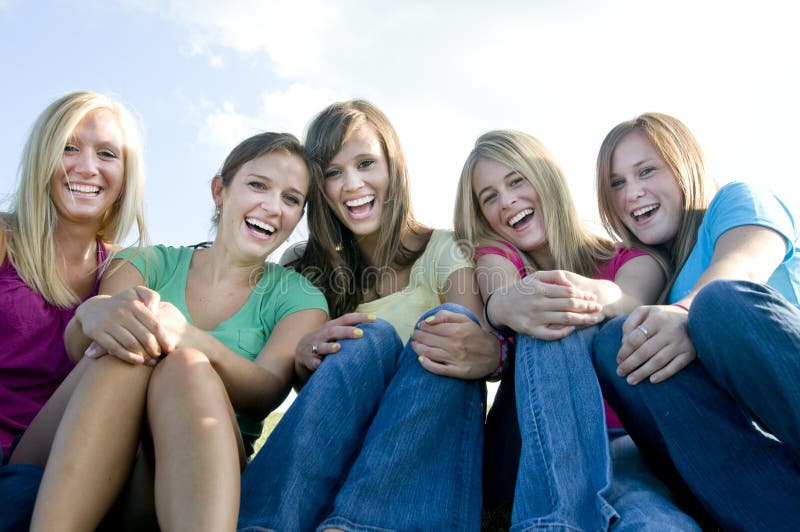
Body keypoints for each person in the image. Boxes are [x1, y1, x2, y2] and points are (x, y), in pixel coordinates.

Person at [12, 132, 329, 531]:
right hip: (69, 456)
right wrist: (92, 313)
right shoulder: (144, 262)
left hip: (185, 477)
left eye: (291, 199)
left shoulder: (299, 297)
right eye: (257, 185)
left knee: (185, 366)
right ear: (220, 190)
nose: (271, 206)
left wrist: (191, 341)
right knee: (128, 346)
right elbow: (90, 350)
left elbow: (267, 390)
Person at [237, 100, 500, 531]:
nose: (352, 184)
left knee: (444, 328)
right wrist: (303, 353)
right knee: (366, 340)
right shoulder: (303, 263)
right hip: (337, 451)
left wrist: (486, 347)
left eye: (365, 163)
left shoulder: (443, 248)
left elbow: (469, 345)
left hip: (420, 451)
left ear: (393, 168)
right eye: (333, 173)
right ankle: (263, 524)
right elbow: (289, 374)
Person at [454, 130, 699, 530]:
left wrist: (591, 292)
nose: (508, 200)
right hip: (525, 446)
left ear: (546, 179)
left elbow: (631, 297)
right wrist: (502, 305)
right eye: (490, 197)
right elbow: (499, 290)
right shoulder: (497, 256)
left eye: (517, 181)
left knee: (651, 517)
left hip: (620, 441)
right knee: (546, 310)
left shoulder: (633, 258)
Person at [592, 112, 800, 530]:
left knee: (717, 304)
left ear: (684, 165)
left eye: (646, 171)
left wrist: (685, 315)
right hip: (757, 472)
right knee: (617, 340)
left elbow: (742, 265)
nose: (633, 193)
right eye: (617, 183)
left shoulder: (737, 201)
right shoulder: (658, 275)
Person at [0, 91, 146, 531]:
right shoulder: (5, 238)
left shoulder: (125, 266)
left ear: (124, 174)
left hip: (64, 458)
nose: (87, 167)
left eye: (106, 154)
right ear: (44, 154)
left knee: (132, 348)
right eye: (69, 147)